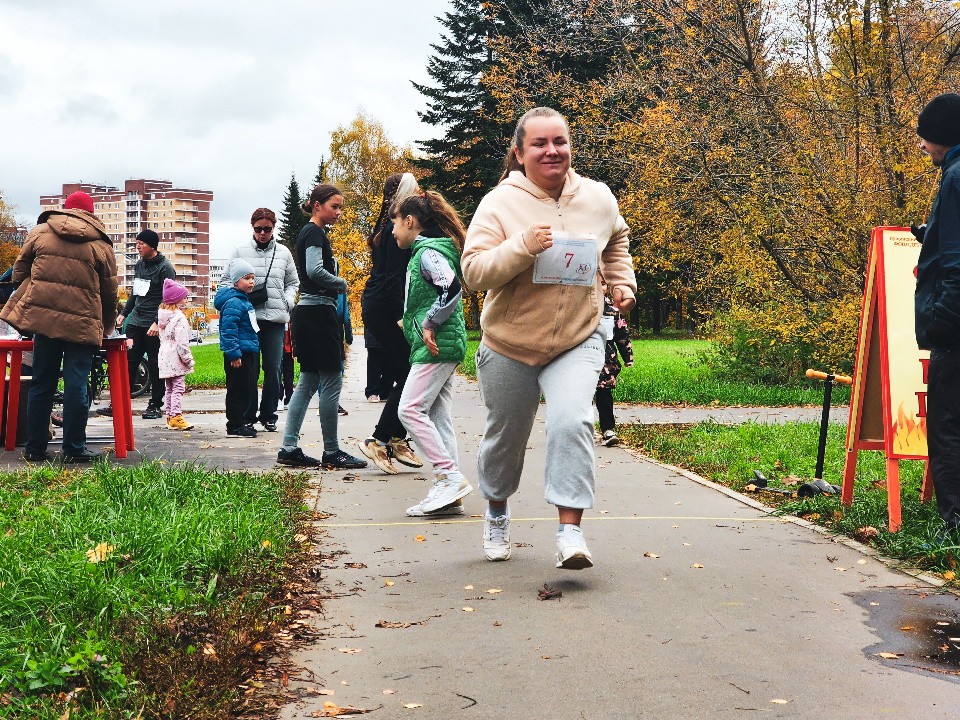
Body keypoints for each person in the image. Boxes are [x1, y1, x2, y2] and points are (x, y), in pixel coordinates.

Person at [462, 107, 637, 569]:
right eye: (539, 144)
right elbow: (475, 272)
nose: (551, 151)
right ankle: (497, 510)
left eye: (559, 141)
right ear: (519, 153)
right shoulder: (499, 203)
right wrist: (521, 245)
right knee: (505, 437)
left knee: (572, 421)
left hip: (578, 338)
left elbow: (616, 241)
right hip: (509, 344)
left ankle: (570, 533)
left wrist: (623, 284)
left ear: (570, 146)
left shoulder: (597, 197)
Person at [0, 191, 118, 462]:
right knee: (77, 383)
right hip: (83, 323)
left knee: (42, 383)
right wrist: (107, 326)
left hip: (44, 320)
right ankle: (74, 449)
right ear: (90, 213)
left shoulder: (40, 232)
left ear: (66, 209)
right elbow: (110, 292)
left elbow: (18, 273)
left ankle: (35, 449)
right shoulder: (100, 245)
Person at [393, 191, 473, 517]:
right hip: (440, 344)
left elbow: (450, 287)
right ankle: (448, 492)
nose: (394, 231)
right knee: (438, 418)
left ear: (410, 221)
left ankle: (450, 477)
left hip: (436, 345)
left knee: (409, 410)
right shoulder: (427, 251)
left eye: (395, 223)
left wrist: (428, 323)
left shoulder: (426, 251)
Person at [277, 184, 367, 470]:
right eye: (334, 206)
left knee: (307, 383)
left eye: (341, 207)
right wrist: (342, 284)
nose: (338, 212)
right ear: (317, 205)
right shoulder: (314, 232)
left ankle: (289, 447)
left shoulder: (309, 232)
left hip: (307, 314)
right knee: (330, 380)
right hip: (318, 314)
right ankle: (331, 451)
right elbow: (315, 271)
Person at [914, 92, 960, 537]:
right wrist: (930, 235)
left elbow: (957, 262)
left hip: (955, 332)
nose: (921, 145)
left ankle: (955, 523)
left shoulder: (955, 178)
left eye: (925, 136)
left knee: (947, 426)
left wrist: (943, 319)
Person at [357, 173, 425, 474]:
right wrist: (401, 316)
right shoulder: (395, 229)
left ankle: (396, 438)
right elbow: (394, 277)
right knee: (410, 374)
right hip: (385, 306)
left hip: (377, 305)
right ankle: (381, 439)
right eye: (415, 190)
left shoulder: (387, 224)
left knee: (405, 374)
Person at [220, 208, 298, 433]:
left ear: (274, 228)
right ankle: (247, 414)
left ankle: (269, 413)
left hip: (274, 317)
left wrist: (288, 301)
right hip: (247, 318)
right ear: (252, 228)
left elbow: (293, 281)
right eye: (258, 229)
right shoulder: (239, 251)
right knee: (249, 371)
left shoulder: (283, 252)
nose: (263, 233)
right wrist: (236, 299)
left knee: (273, 369)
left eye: (267, 229)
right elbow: (226, 280)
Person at [114, 228, 175, 419]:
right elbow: (135, 292)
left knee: (156, 365)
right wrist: (124, 313)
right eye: (137, 243)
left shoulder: (165, 267)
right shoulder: (140, 264)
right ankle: (120, 402)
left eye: (141, 243)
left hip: (154, 325)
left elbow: (170, 298)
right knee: (128, 362)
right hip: (136, 322)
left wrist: (158, 322)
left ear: (152, 246)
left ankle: (155, 405)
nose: (138, 246)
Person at [215, 259, 260, 438]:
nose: (251, 282)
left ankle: (240, 422)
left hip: (246, 350)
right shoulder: (234, 302)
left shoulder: (243, 301)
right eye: (247, 278)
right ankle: (234, 425)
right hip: (238, 354)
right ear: (235, 282)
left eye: (253, 278)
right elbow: (228, 330)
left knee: (245, 388)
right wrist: (233, 354)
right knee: (237, 390)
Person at [595, 289, 634, 447]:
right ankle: (570, 429)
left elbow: (622, 334)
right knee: (578, 394)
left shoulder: (613, 310)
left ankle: (608, 430)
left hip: (606, 360)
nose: (601, 287)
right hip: (580, 358)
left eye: (604, 284)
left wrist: (628, 357)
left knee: (604, 394)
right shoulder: (577, 307)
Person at [157, 278, 196, 431]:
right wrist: (188, 359)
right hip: (176, 357)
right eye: (184, 297)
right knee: (178, 388)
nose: (186, 299)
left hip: (164, 355)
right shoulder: (179, 318)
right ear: (177, 299)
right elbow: (182, 342)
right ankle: (176, 416)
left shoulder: (163, 316)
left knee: (169, 388)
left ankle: (169, 415)